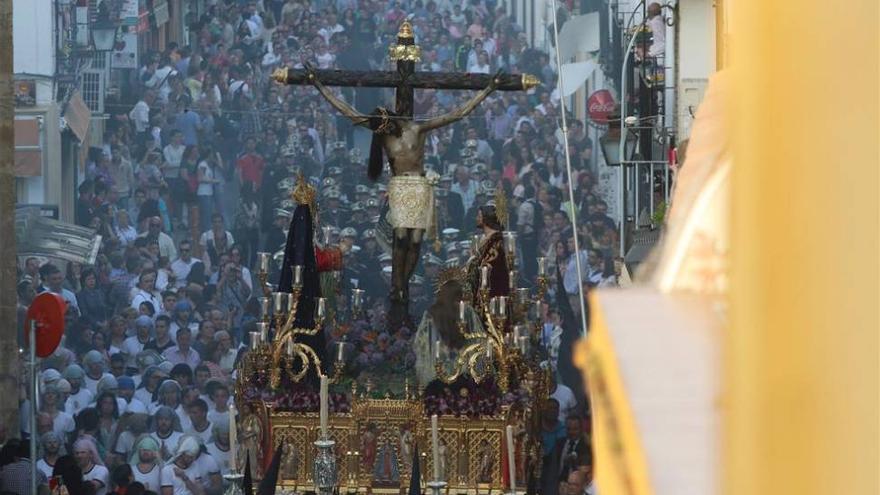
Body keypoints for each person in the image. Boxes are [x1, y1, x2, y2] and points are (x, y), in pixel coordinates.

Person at [307, 60, 499, 316]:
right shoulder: (384, 135)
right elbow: (348, 112)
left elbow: (457, 114)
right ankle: (396, 286)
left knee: (415, 244)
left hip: (419, 187)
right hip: (400, 187)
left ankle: (403, 284)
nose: (384, 132)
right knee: (400, 241)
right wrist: (320, 86)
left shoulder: (417, 128)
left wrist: (486, 91)